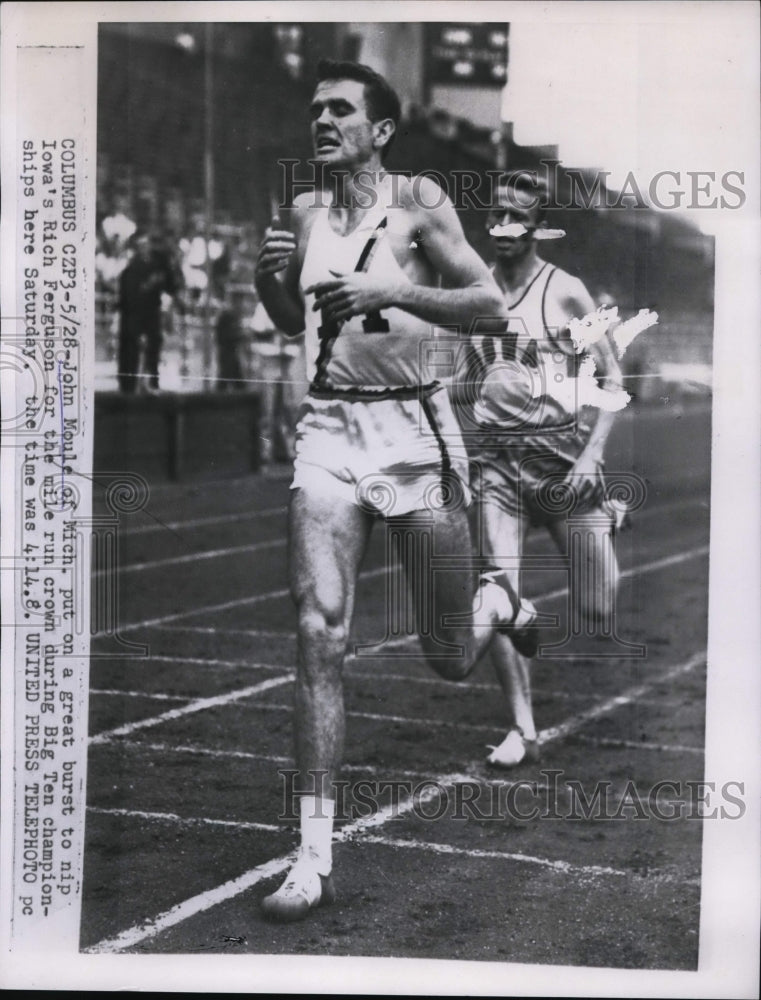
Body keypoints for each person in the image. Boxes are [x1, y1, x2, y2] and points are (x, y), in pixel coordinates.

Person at [254, 59, 528, 921]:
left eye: (341, 109)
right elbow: (288, 317)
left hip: (414, 435)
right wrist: (268, 281)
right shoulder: (298, 211)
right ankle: (312, 855)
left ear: (380, 131)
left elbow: (491, 307)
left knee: (448, 656)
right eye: (315, 110)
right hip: (329, 434)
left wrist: (394, 289)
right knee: (316, 634)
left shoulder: (419, 203)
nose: (322, 121)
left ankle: (495, 602)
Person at [453, 174, 626, 768]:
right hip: (497, 465)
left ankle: (607, 514)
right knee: (498, 592)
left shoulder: (567, 292)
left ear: (536, 226)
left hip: (563, 466)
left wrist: (592, 456)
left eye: (515, 217)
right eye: (495, 215)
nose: (502, 227)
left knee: (599, 609)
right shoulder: (475, 290)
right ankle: (522, 727)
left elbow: (613, 378)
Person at [117, 230, 179, 393]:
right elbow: (128, 296)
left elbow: (172, 285)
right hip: (134, 312)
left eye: (147, 244)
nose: (145, 248)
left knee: (155, 344)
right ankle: (129, 384)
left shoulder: (159, 263)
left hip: (151, 310)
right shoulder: (131, 268)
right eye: (141, 245)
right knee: (132, 348)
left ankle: (153, 380)